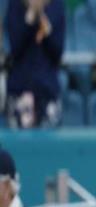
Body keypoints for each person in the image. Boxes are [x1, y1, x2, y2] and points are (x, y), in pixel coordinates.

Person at [6, 0, 65, 128]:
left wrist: (46, 29)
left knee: (49, 139)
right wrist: (30, 18)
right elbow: (15, 49)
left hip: (47, 90)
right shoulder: (15, 4)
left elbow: (57, 53)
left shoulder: (56, 5)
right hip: (19, 90)